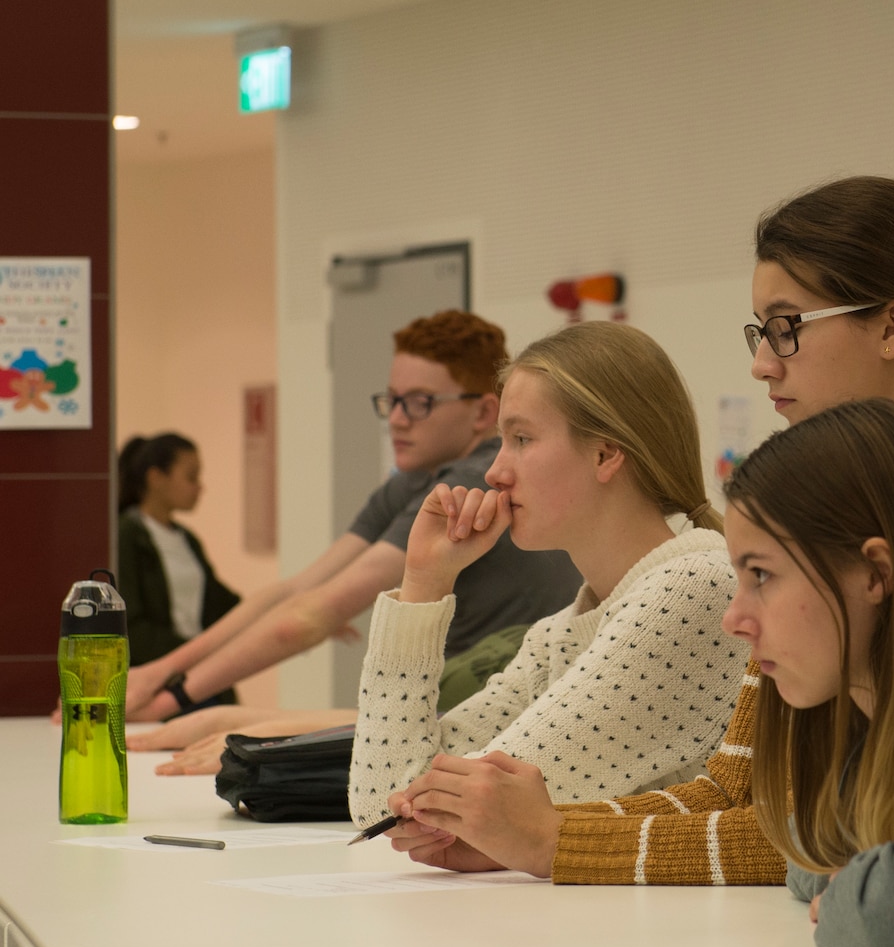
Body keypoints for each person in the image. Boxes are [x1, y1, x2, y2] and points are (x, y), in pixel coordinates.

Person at [381, 177, 894, 887]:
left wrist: (554, 843)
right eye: (760, 332)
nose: (764, 362)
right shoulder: (829, 516)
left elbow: (871, 828)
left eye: (787, 326)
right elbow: (734, 792)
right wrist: (520, 835)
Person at [345, 322, 747, 824]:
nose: (495, 472)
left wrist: (433, 810)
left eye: (521, 439)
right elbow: (379, 804)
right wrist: (425, 581)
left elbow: (452, 815)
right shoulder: (561, 633)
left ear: (605, 454)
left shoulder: (694, 590)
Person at [125, 311, 579, 740]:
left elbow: (307, 617)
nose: (398, 419)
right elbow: (296, 592)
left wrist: (171, 699)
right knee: (238, 725)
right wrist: (159, 674)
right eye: (393, 400)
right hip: (453, 703)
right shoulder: (413, 481)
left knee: (236, 726)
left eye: (420, 403)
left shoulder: (467, 482)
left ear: (483, 414)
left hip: (492, 716)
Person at [114, 433, 240, 705]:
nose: (199, 487)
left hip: (199, 676)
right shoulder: (126, 536)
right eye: (191, 477)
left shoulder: (186, 538)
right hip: (160, 683)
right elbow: (131, 625)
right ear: (156, 477)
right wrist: (192, 654)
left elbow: (220, 603)